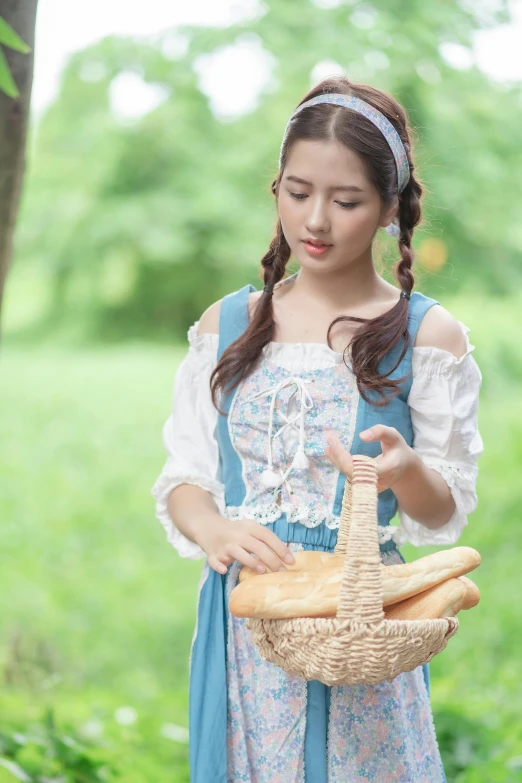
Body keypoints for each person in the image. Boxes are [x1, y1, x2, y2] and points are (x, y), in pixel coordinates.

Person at [151, 76, 483, 783]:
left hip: (359, 616)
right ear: (275, 187)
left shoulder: (427, 336)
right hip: (249, 620)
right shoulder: (229, 324)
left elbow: (445, 507)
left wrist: (406, 472)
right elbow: (184, 478)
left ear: (390, 207)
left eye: (347, 200)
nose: (317, 221)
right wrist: (214, 530)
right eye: (298, 192)